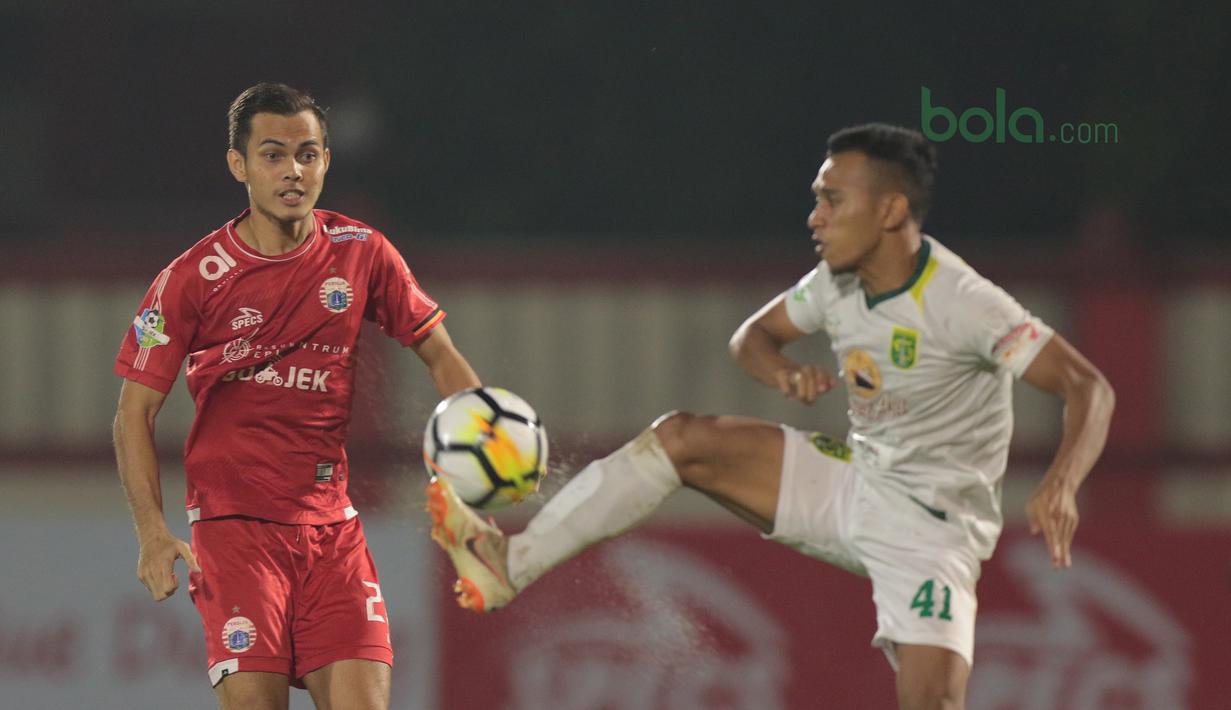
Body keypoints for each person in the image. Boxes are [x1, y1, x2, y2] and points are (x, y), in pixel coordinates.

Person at [427, 123, 1115, 709]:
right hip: (856, 483)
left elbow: (1088, 387)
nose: (814, 216)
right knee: (681, 439)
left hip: (931, 532)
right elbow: (750, 338)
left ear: (888, 211)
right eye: (815, 198)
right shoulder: (835, 283)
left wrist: (1060, 483)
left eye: (830, 199)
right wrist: (779, 368)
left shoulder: (964, 302)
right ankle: (507, 563)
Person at [113, 82, 481, 710]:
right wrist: (151, 533)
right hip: (236, 532)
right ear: (240, 165)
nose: (293, 171)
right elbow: (133, 414)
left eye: (308, 154)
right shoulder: (192, 278)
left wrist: (485, 442)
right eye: (274, 155)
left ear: (327, 162)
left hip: (332, 533)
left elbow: (440, 353)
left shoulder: (361, 252)